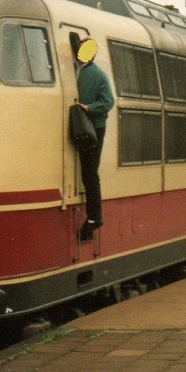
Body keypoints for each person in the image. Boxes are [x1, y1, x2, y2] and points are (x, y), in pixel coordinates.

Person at [74, 38, 113, 239]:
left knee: (90, 172)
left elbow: (108, 101)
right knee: (88, 171)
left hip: (94, 128)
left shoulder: (98, 75)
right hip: (83, 126)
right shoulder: (77, 71)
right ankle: (93, 216)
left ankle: (95, 217)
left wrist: (89, 108)